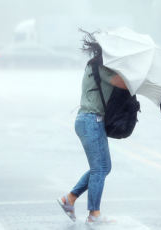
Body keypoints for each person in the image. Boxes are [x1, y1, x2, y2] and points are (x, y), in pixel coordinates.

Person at [57, 32, 127, 223]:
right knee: (99, 169)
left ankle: (69, 198)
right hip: (90, 120)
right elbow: (123, 84)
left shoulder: (99, 65)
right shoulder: (100, 66)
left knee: (105, 167)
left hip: (92, 120)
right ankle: (93, 214)